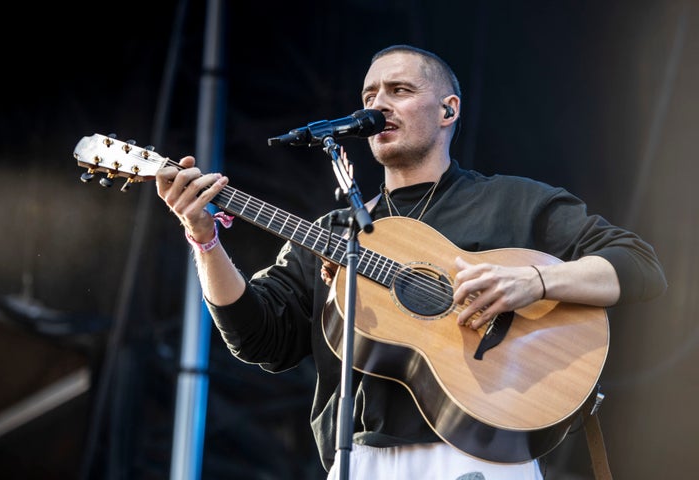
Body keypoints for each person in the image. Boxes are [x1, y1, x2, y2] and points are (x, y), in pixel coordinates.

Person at [155, 45, 667, 479]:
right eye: (369, 96)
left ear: (448, 110)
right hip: (360, 461)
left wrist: (535, 281)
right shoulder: (333, 234)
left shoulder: (516, 202)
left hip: (483, 453)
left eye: (399, 91)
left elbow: (640, 265)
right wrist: (204, 241)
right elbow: (258, 339)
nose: (378, 105)